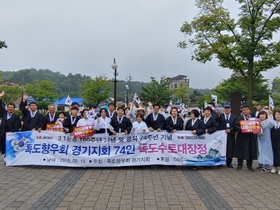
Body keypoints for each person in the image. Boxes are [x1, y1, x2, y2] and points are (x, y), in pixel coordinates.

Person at [234, 105, 258, 172]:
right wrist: (242, 129)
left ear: (249, 110)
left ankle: (249, 165)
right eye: (244, 110)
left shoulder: (253, 119)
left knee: (250, 150)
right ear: (242, 111)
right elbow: (236, 126)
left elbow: (257, 126)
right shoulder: (239, 118)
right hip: (242, 136)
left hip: (250, 137)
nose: (245, 111)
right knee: (240, 150)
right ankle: (239, 164)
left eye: (247, 109)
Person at [0, 91, 21, 155]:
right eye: (9, 107)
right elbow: (0, 107)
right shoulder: (4, 114)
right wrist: (0, 98)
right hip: (3, 133)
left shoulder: (16, 117)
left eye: (12, 107)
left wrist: (12, 132)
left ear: (14, 108)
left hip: (11, 134)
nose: (10, 108)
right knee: (4, 147)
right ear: (7, 108)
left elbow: (17, 126)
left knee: (11, 147)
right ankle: (5, 157)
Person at [217, 104, 237, 168]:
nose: (227, 109)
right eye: (225, 108)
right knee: (221, 147)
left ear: (230, 109)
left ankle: (229, 162)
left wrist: (230, 130)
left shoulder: (234, 117)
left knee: (230, 148)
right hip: (222, 135)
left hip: (230, 135)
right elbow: (218, 123)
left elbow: (235, 126)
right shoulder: (221, 116)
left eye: (228, 108)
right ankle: (220, 162)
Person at [271, 109, 280, 174]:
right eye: (276, 114)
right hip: (273, 141)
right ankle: (274, 166)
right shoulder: (272, 123)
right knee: (273, 153)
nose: (278, 116)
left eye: (279, 114)